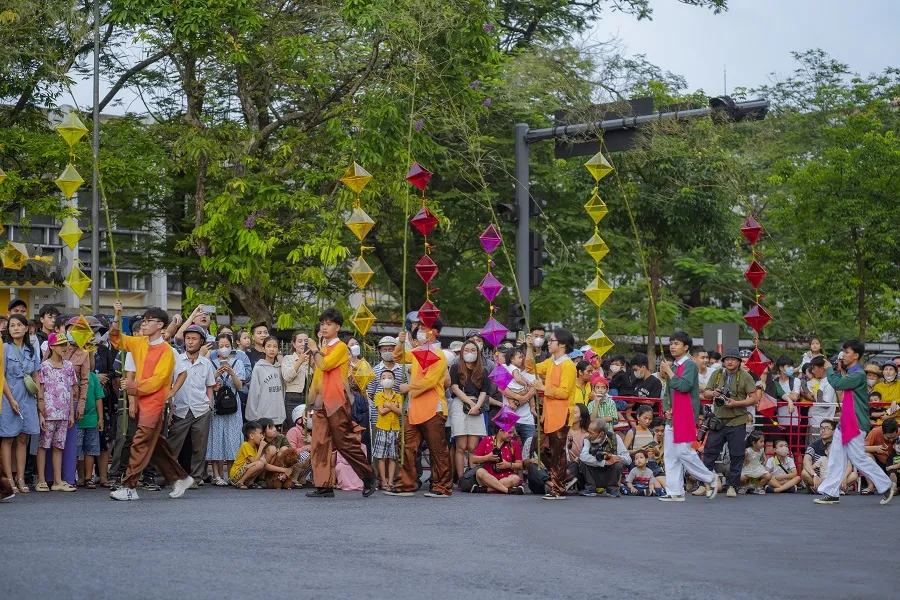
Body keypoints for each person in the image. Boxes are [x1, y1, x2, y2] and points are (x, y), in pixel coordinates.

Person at [108, 300, 194, 501]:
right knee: (154, 444)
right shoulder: (138, 343)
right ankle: (180, 477)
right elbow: (115, 339)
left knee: (139, 442)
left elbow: (157, 381)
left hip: (154, 405)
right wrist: (117, 316)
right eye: (144, 321)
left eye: (149, 321)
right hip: (140, 402)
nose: (144, 324)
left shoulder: (167, 351)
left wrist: (131, 388)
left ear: (160, 325)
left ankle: (129, 486)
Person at [815, 340, 894, 505]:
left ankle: (886, 485)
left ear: (856, 355)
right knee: (836, 457)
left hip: (855, 422)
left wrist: (829, 368)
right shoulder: (853, 372)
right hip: (847, 421)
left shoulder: (858, 374)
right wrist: (837, 370)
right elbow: (840, 381)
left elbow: (837, 383)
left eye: (847, 351)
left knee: (858, 458)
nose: (843, 354)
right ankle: (831, 492)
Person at [306, 308, 375, 498]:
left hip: (336, 401)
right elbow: (318, 378)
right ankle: (323, 484)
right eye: (322, 324)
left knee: (345, 442)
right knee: (319, 443)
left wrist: (314, 349)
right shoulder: (323, 350)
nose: (325, 327)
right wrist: (310, 402)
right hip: (321, 403)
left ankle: (368, 475)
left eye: (328, 324)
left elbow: (325, 365)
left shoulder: (340, 348)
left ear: (337, 327)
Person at [385, 319, 451, 498]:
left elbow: (430, 381)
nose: (419, 331)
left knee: (437, 449)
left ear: (434, 332)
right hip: (414, 409)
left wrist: (409, 388)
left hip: (433, 408)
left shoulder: (439, 354)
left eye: (424, 328)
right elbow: (398, 357)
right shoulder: (416, 352)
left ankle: (442, 486)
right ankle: (406, 484)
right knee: (404, 443)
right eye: (419, 328)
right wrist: (400, 341)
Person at [658, 331, 720, 502]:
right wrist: (666, 409)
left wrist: (669, 372)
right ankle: (675, 491)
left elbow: (684, 386)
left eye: (676, 343)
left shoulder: (690, 365)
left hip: (685, 415)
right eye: (671, 343)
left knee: (684, 452)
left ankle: (710, 478)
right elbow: (668, 393)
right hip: (673, 416)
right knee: (670, 455)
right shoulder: (675, 366)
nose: (672, 346)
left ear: (686, 347)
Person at [697, 347, 757, 498]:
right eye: (727, 359)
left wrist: (736, 403)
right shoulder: (717, 374)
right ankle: (703, 484)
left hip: (737, 420)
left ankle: (733, 486)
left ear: (738, 361)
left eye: (733, 359)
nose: (730, 362)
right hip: (718, 419)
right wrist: (714, 393)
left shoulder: (745, 376)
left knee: (736, 455)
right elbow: (706, 392)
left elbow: (754, 398)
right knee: (709, 452)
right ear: (723, 362)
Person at [525, 328, 576, 500]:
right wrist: (528, 347)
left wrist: (543, 388)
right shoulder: (551, 361)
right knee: (540, 448)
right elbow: (530, 367)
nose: (548, 342)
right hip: (549, 413)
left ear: (561, 344)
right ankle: (563, 475)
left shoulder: (568, 365)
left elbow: (564, 392)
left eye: (552, 340)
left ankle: (559, 489)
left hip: (562, 414)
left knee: (557, 451)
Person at [166, 325, 215, 485]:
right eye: (188, 338)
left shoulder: (206, 363)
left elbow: (209, 386)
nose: (190, 342)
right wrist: (170, 407)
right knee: (173, 445)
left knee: (199, 448)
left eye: (194, 339)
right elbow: (170, 385)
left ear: (201, 342)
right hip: (180, 409)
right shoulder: (176, 360)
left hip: (201, 409)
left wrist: (210, 406)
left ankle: (196, 479)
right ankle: (165, 477)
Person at [1, 314, 41, 494]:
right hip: (10, 395)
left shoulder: (32, 350)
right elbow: (1, 377)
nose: (15, 328)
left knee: (23, 438)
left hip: (28, 398)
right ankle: (9, 479)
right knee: (8, 438)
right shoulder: (4, 348)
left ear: (26, 328)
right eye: (12, 325)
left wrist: (39, 398)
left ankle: (21, 478)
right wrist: (10, 399)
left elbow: (35, 376)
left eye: (19, 325)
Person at [34, 333, 78, 492]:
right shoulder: (44, 366)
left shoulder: (69, 366)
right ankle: (41, 480)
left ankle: (58, 481)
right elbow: (41, 390)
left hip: (64, 413)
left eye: (66, 344)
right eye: (60, 344)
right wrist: (40, 413)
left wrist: (71, 413)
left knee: (59, 446)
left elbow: (71, 389)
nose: (64, 347)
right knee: (43, 446)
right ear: (51, 347)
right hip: (48, 413)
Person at [207, 333, 245, 486]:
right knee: (216, 436)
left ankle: (232, 473)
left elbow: (240, 386)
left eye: (227, 346)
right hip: (217, 403)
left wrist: (231, 373)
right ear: (217, 347)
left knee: (233, 437)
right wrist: (216, 374)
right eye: (221, 346)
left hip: (233, 404)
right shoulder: (211, 363)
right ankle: (217, 475)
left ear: (232, 347)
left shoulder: (238, 363)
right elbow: (207, 383)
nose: (224, 349)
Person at [449, 340, 490, 476]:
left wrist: (477, 405)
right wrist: (471, 404)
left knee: (473, 447)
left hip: (477, 405)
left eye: (473, 350)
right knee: (461, 447)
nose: (469, 353)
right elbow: (454, 387)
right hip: (460, 404)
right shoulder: (455, 367)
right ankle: (461, 478)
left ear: (477, 353)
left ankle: (472, 476)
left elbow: (484, 390)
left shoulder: (483, 370)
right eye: (466, 350)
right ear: (461, 352)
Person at [465, 417, 524, 494]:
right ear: (500, 431)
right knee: (480, 472)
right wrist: (487, 458)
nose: (512, 435)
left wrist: (508, 465)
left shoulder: (514, 444)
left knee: (516, 478)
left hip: (506, 477)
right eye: (510, 432)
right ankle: (507, 490)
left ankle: (486, 489)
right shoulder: (486, 440)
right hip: (487, 476)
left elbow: (520, 465)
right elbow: (474, 459)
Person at [76, 345, 104, 489]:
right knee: (76, 450)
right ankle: (77, 476)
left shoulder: (93, 377)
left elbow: (98, 397)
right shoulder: (72, 374)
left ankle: (88, 477)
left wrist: (100, 419)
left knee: (90, 450)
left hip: (92, 419)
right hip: (77, 420)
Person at [578, 419, 631, 497]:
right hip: (593, 473)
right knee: (583, 461)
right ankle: (590, 488)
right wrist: (604, 462)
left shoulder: (615, 438)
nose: (588, 435)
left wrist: (612, 457)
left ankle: (612, 489)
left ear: (601, 433)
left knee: (618, 463)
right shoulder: (587, 440)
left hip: (609, 474)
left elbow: (628, 460)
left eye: (591, 433)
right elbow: (583, 456)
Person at [501, 345, 537, 456]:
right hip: (509, 416)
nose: (523, 359)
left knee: (530, 449)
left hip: (527, 419)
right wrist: (520, 398)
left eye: (523, 357)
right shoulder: (503, 368)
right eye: (520, 357)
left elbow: (534, 390)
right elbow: (501, 388)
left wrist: (523, 399)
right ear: (512, 358)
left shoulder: (532, 374)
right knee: (508, 451)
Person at [245, 336, 286, 426]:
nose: (272, 349)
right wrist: (252, 415)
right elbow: (254, 392)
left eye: (275, 346)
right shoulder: (258, 368)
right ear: (263, 349)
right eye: (269, 346)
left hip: (279, 414)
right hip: (263, 415)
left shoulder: (280, 368)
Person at [372, 370, 401, 490]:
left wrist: (388, 405)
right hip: (382, 428)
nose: (386, 379)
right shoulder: (378, 395)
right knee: (381, 456)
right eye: (384, 377)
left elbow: (400, 412)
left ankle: (391, 481)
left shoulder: (398, 396)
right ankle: (383, 480)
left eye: (389, 377)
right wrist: (392, 407)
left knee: (393, 456)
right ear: (380, 381)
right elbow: (381, 411)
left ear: (394, 382)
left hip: (395, 428)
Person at [256, 418, 302, 487]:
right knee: (272, 449)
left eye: (274, 426)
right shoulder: (260, 442)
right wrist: (284, 470)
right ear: (263, 433)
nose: (275, 429)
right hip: (265, 469)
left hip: (280, 468)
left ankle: (283, 478)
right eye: (271, 428)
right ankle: (261, 479)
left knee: (284, 449)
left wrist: (287, 472)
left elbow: (293, 456)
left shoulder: (281, 438)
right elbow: (263, 463)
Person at [862, 418, 898, 495]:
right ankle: (871, 486)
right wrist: (875, 448)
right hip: (880, 464)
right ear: (883, 432)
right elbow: (861, 448)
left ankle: (894, 487)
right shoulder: (875, 432)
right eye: (888, 438)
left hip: (896, 465)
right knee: (866, 455)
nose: (891, 440)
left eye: (893, 437)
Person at [281, 332, 310, 426]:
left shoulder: (312, 359)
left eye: (306, 341)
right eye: (300, 341)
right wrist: (300, 361)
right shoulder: (288, 359)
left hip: (309, 400)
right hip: (292, 399)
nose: (303, 344)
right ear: (294, 344)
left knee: (308, 429)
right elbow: (287, 377)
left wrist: (313, 363)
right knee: (293, 428)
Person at [803, 356, 837, 434]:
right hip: (815, 422)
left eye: (814, 368)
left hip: (820, 424)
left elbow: (826, 404)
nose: (813, 371)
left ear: (821, 369)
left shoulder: (828, 382)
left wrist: (814, 395)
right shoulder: (822, 381)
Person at [229, 421, 268, 489]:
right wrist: (261, 447)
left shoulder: (254, 446)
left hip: (244, 470)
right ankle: (240, 482)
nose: (262, 436)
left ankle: (250, 482)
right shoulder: (245, 445)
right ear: (252, 436)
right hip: (236, 474)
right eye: (260, 434)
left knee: (263, 462)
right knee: (259, 464)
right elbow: (254, 461)